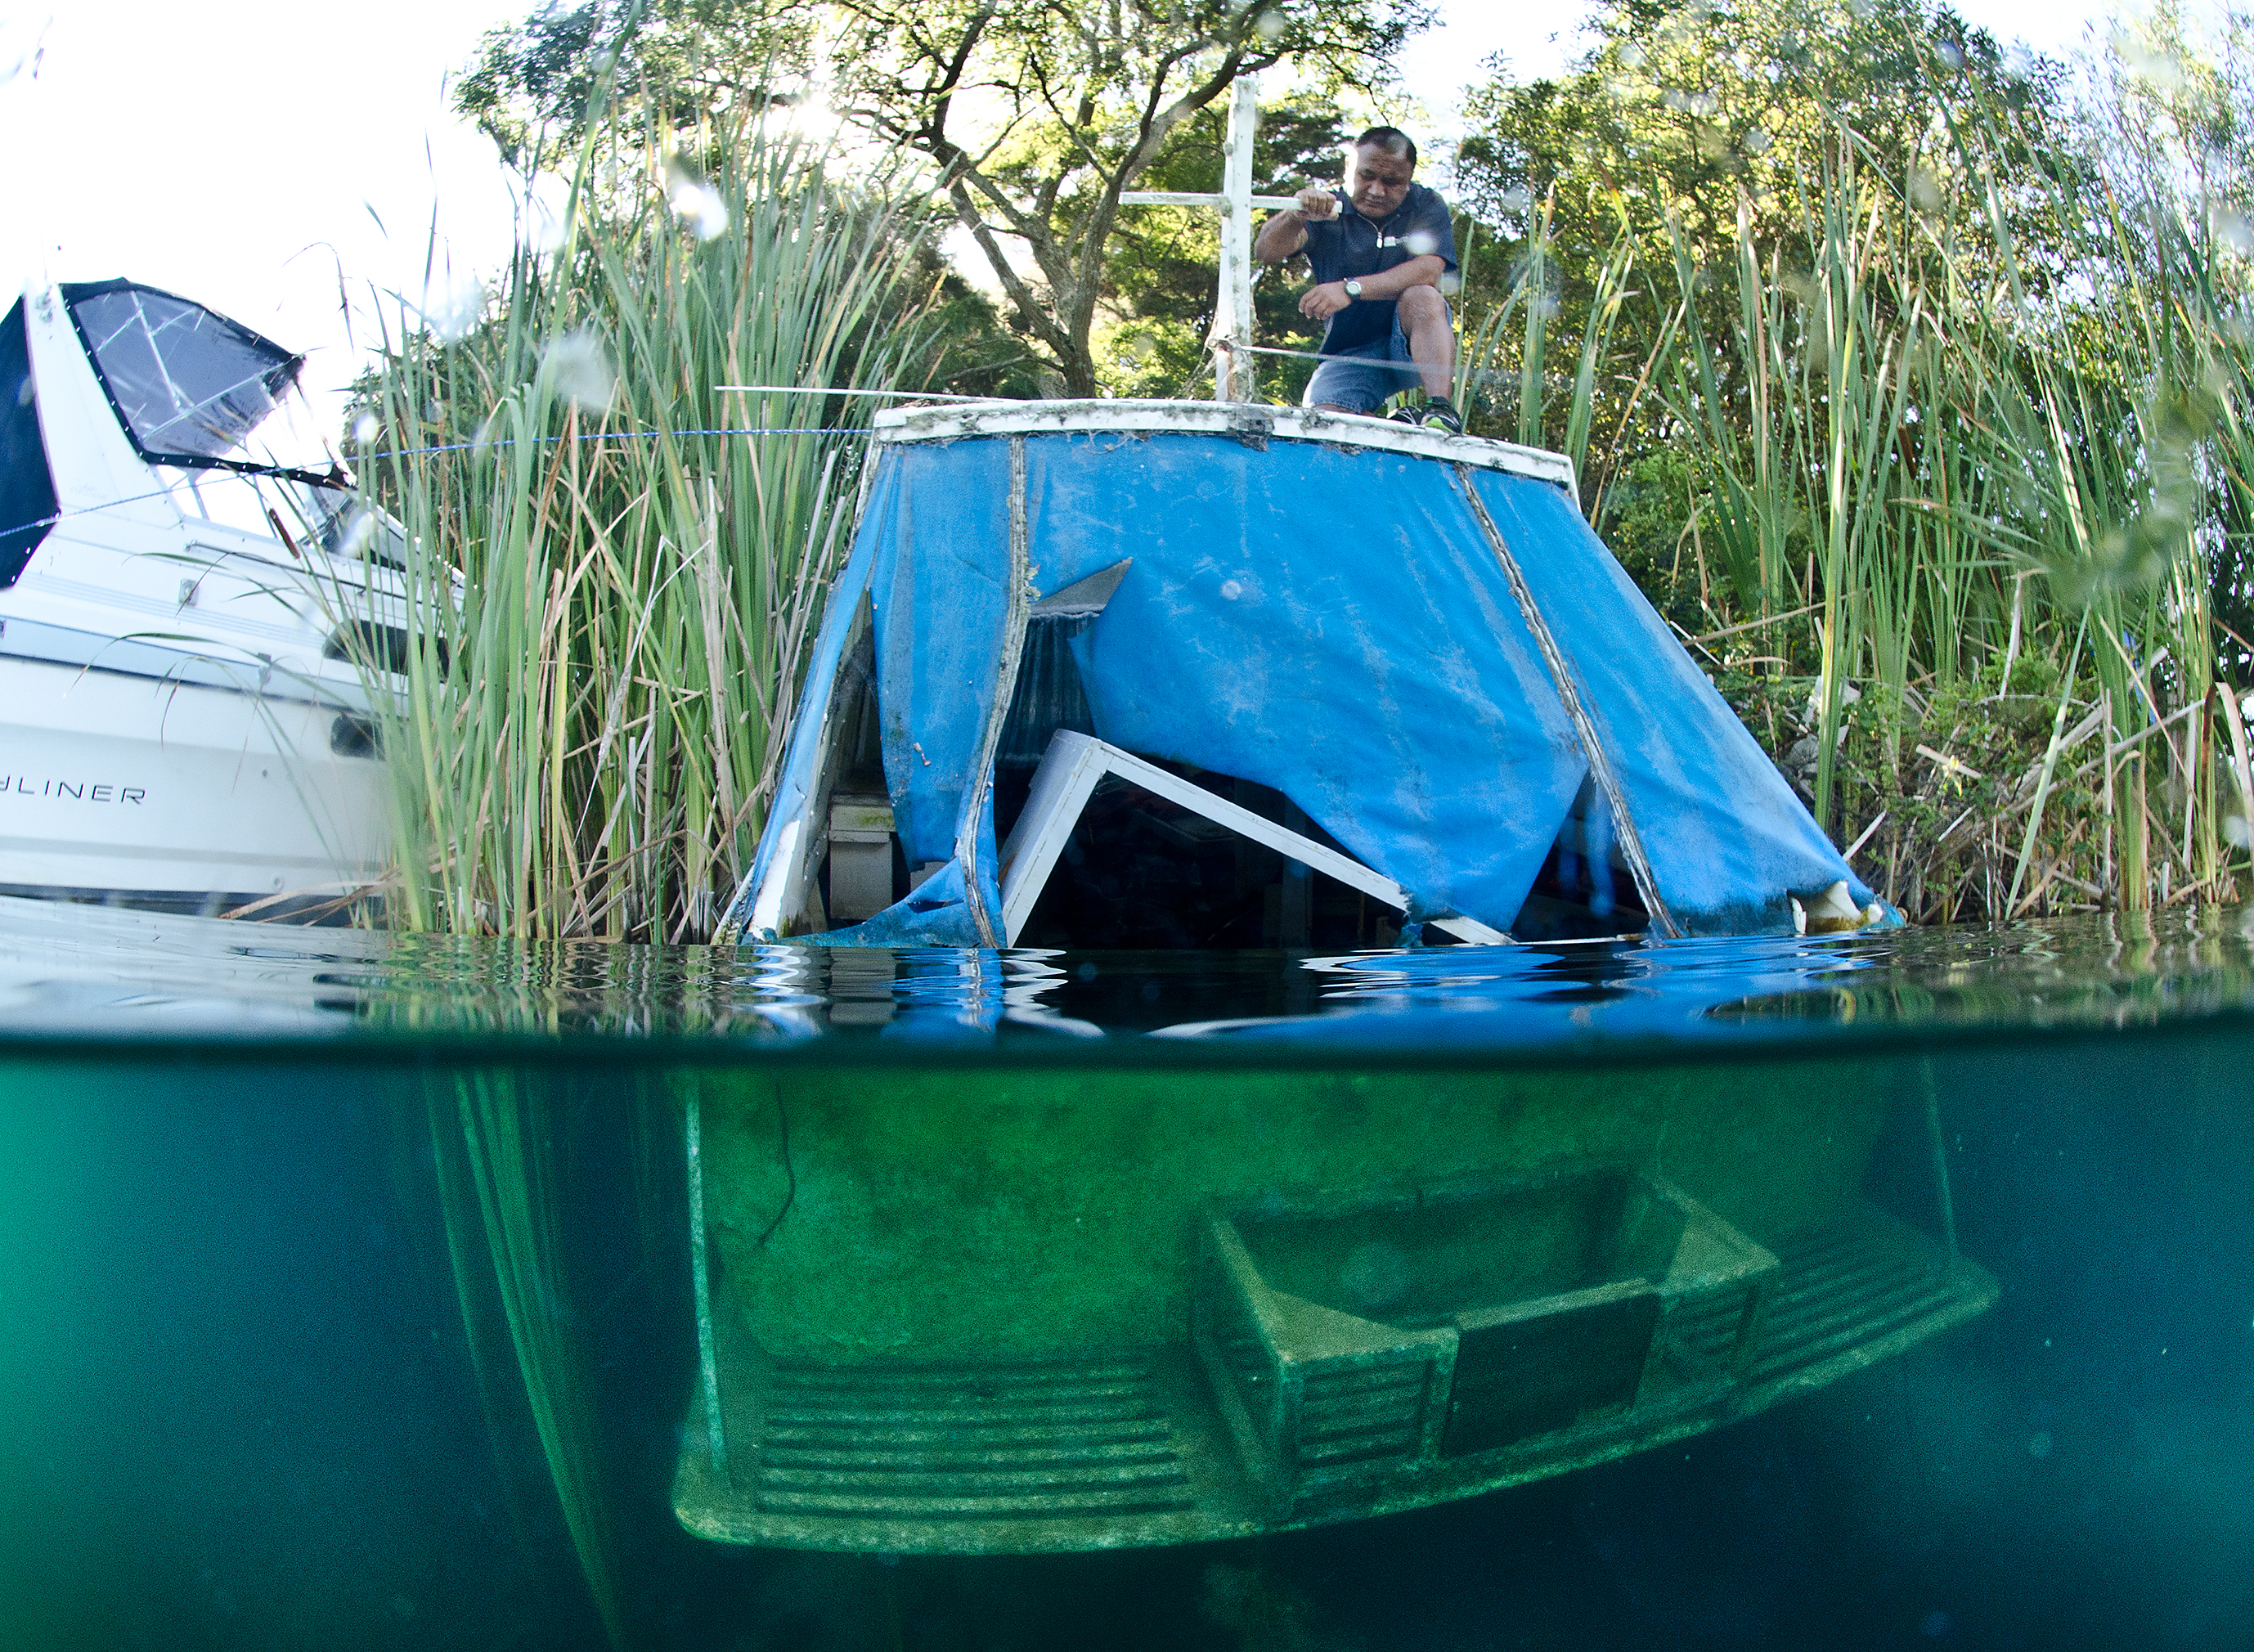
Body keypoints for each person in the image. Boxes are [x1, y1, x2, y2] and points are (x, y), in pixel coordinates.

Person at [1253, 125, 1462, 433]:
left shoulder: (1425, 205)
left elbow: (1429, 270)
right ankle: (1398, 427)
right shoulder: (1329, 210)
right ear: (1349, 168)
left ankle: (1440, 411)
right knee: (1323, 418)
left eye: (1391, 182)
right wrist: (1296, 212)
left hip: (1413, 340)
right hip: (1351, 351)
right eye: (1367, 176)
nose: (1377, 190)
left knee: (1422, 295)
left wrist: (1349, 289)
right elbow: (1265, 251)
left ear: (1409, 180)